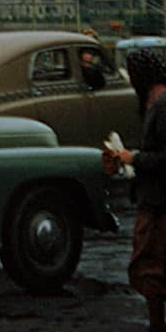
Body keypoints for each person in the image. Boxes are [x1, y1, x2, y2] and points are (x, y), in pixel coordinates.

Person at [104, 49, 166, 332]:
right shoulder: (155, 103)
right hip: (153, 200)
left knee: (150, 267)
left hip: (158, 204)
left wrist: (134, 159)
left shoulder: (161, 105)